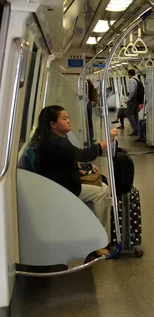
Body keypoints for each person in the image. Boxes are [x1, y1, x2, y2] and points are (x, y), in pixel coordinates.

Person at [32, 106, 118, 255]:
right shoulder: (56, 143)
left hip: (56, 184)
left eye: (68, 117)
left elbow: (62, 162)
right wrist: (107, 140)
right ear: (53, 124)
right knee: (102, 191)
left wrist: (80, 169)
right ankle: (97, 241)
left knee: (102, 185)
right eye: (64, 119)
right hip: (62, 190)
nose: (69, 121)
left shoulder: (52, 139)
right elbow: (84, 155)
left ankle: (95, 233)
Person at [125, 70, 140, 136]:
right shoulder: (137, 80)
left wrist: (129, 100)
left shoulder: (131, 80)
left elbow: (132, 91)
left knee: (128, 113)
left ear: (129, 74)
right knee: (135, 114)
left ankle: (135, 129)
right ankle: (138, 129)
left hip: (133, 99)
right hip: (137, 99)